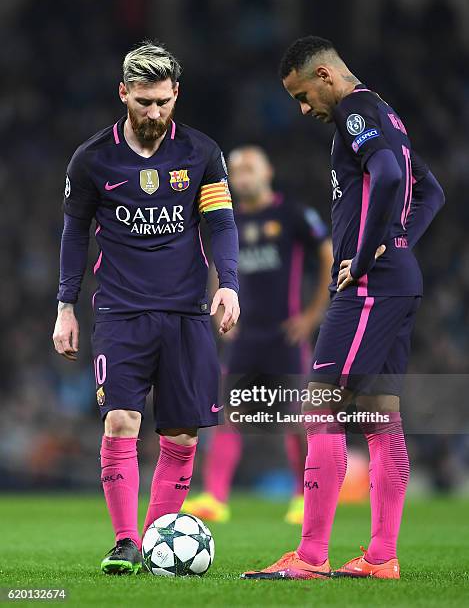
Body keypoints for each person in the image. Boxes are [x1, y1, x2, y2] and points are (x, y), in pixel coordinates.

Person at [242, 36, 445, 580]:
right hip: (398, 277)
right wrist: (397, 239)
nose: (304, 109)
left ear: (326, 76)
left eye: (303, 95)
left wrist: (362, 252)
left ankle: (310, 556)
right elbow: (432, 191)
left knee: (320, 405)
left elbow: (392, 177)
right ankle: (381, 557)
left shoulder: (356, 109)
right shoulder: (388, 114)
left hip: (370, 285)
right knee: (380, 419)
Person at [52, 41, 240, 575]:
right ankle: (126, 542)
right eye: (143, 102)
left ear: (175, 94)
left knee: (180, 433)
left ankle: (159, 541)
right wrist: (66, 305)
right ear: (123, 94)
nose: (154, 113)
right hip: (119, 312)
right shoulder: (92, 158)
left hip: (186, 313)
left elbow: (221, 224)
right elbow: (73, 233)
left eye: (162, 101)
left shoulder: (202, 153)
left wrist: (229, 284)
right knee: (120, 421)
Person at [182, 146, 332, 524]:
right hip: (245, 335)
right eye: (235, 169)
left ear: (269, 171)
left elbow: (328, 257)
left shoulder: (292, 213)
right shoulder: (225, 219)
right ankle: (215, 498)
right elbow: (218, 264)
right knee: (228, 413)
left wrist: (312, 315)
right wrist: (222, 308)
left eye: (249, 167)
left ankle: (303, 498)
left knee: (296, 416)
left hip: (286, 333)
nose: (241, 174)